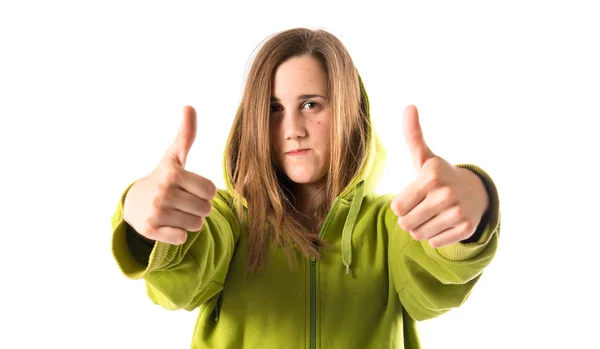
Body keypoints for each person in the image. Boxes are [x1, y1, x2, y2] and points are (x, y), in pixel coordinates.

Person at [110, 27, 500, 349]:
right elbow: (180, 275)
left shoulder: (389, 225)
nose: (292, 129)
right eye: (274, 109)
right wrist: (143, 222)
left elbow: (437, 280)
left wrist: (476, 204)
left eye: (311, 105)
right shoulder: (228, 220)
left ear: (348, 112)